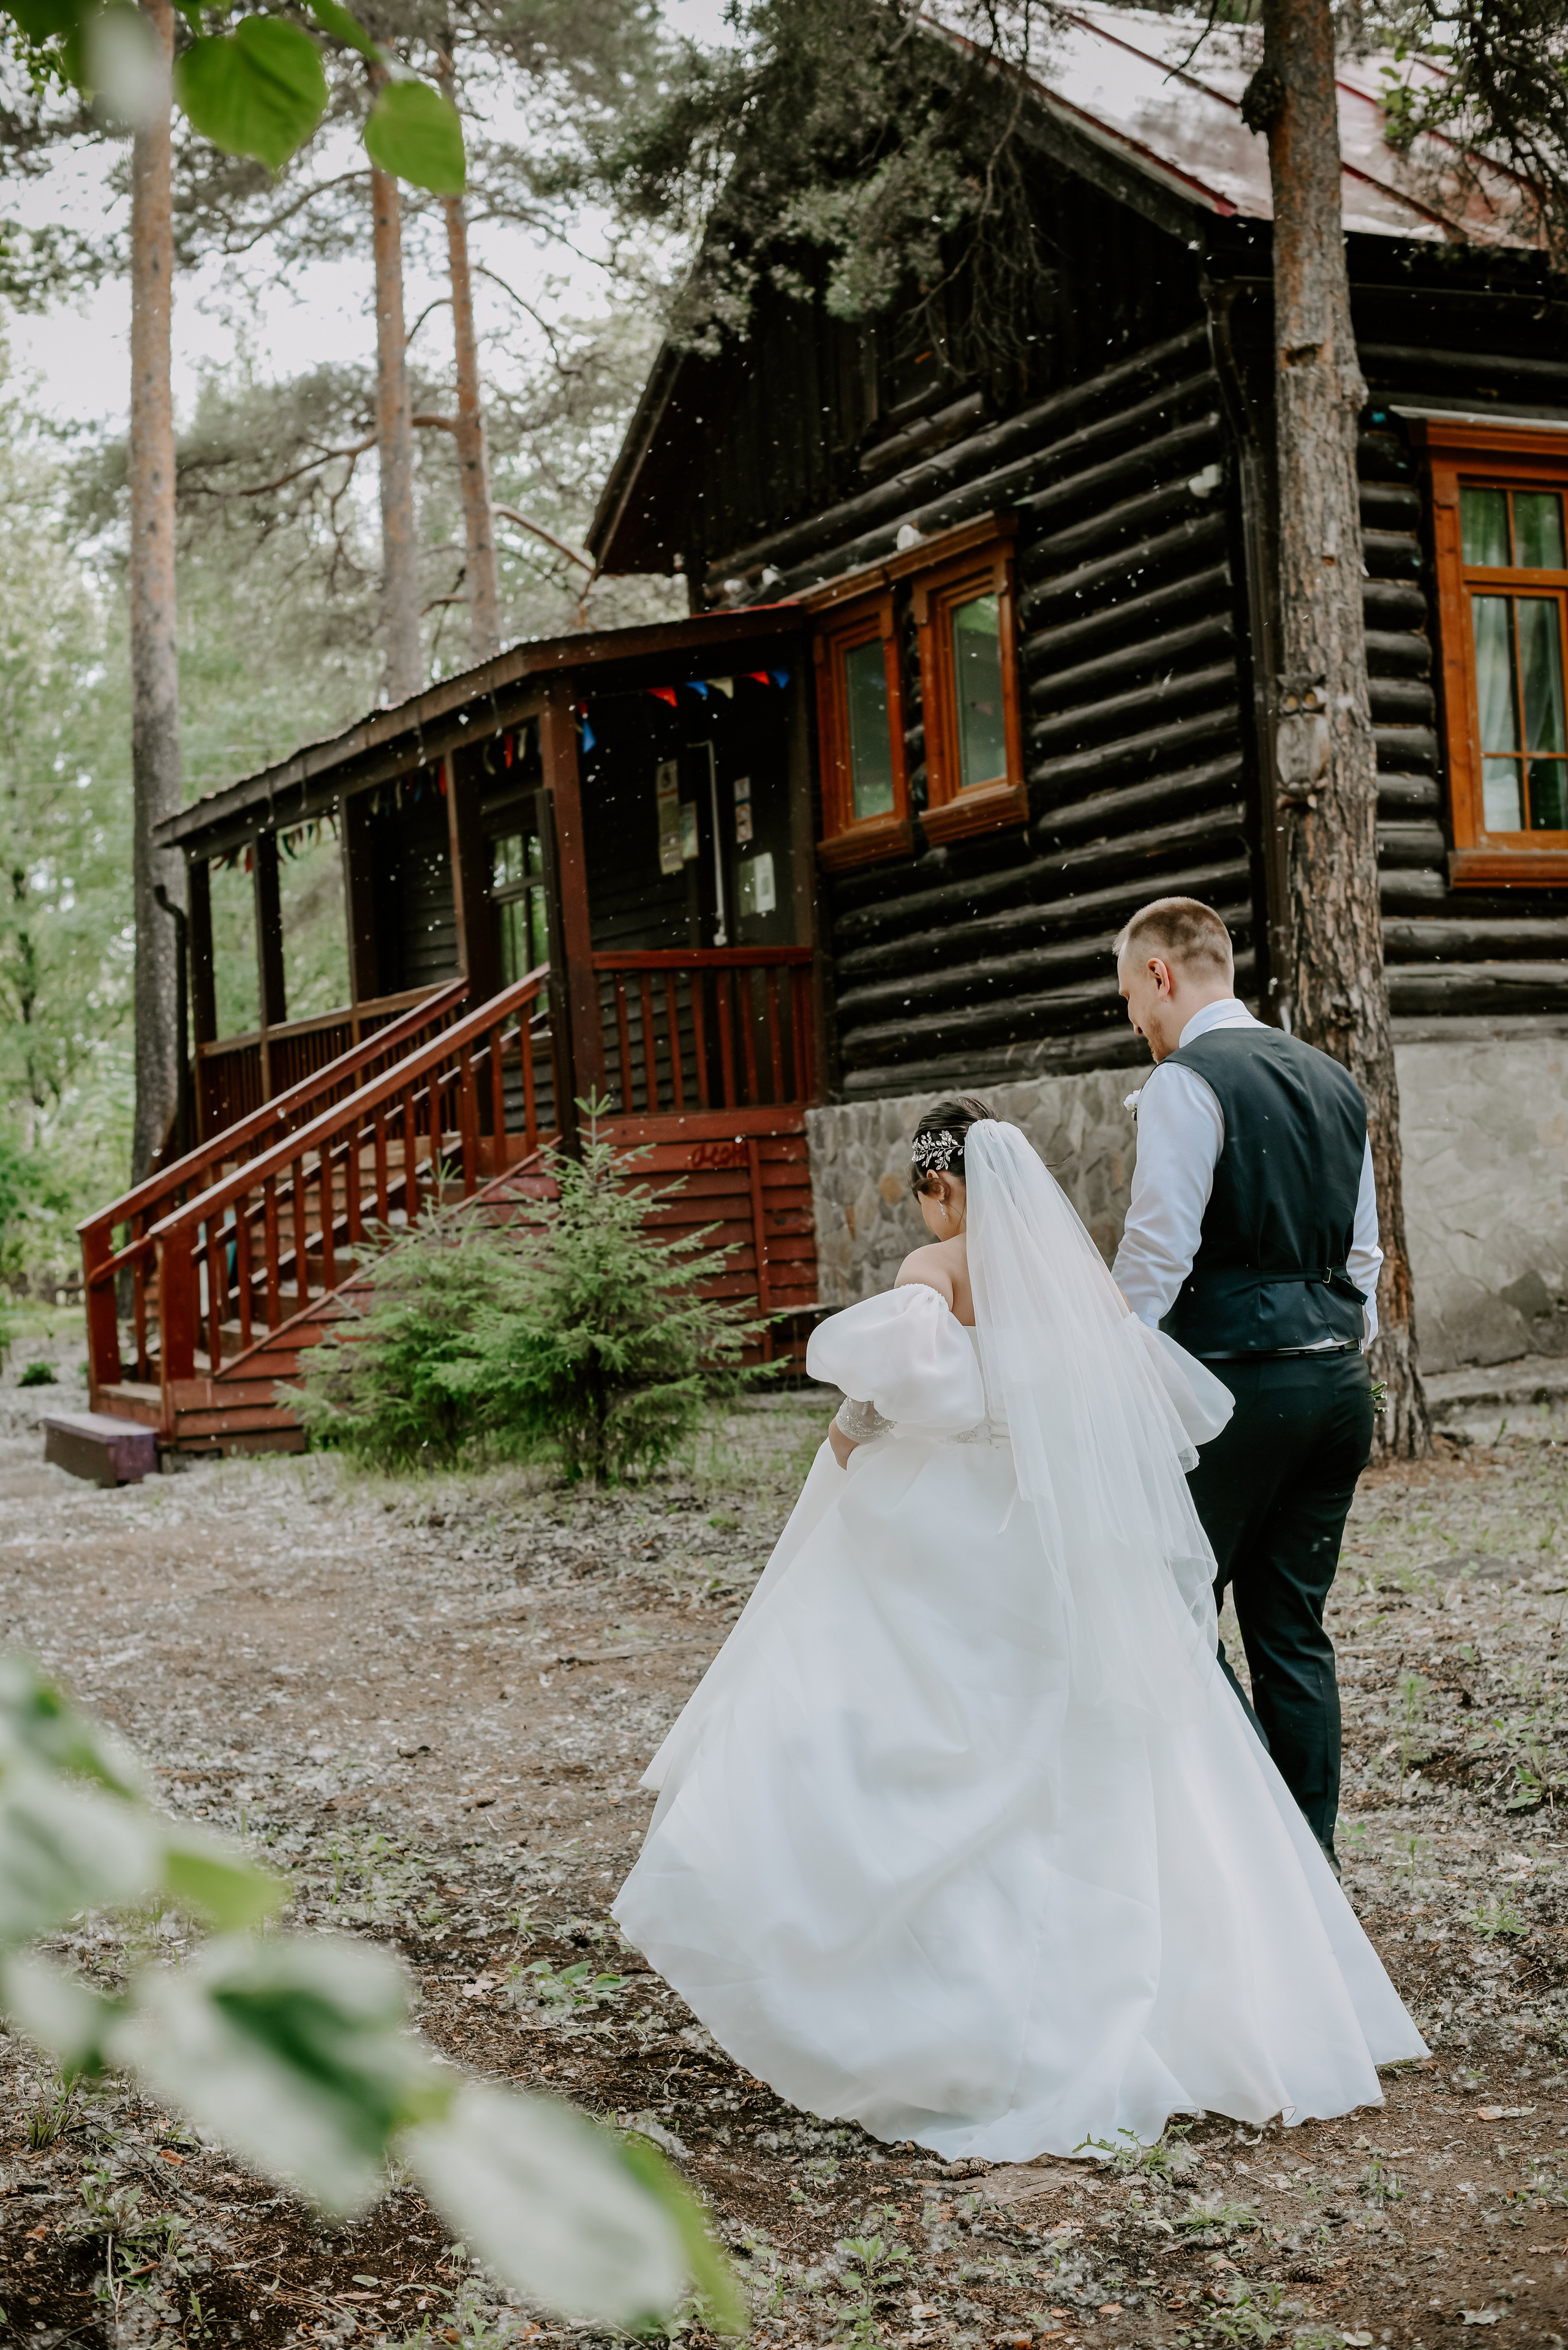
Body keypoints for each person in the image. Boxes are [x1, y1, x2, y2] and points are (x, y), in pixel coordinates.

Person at [613, 1098, 1421, 2162]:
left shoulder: (932, 1272)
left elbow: (867, 1413)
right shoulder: (1069, 1273)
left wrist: (840, 1473)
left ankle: (918, 1998)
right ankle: (1185, 1996)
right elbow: (1115, 1396)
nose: (931, 1214)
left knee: (877, 1736)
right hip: (1050, 1540)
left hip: (947, 1533)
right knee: (1086, 1759)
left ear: (940, 1186)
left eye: (928, 1196)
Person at [1110, 897, 1382, 1878]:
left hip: (1233, 1387)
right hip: (1338, 1387)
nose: (1134, 1024)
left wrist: (1108, 1365)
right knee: (1291, 1627)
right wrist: (1336, 1353)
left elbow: (1156, 1251)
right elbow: (1365, 1255)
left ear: (1161, 976)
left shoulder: (1190, 1081)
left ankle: (1256, 1851)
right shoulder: (1336, 1080)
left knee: (1170, 1605)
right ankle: (1309, 1854)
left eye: (1130, 999)